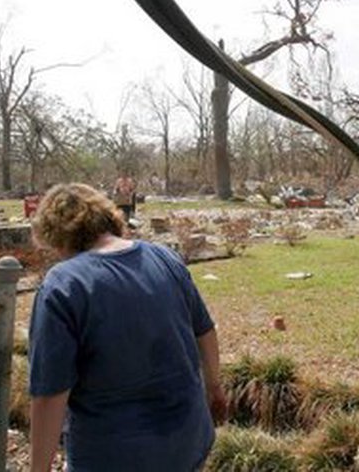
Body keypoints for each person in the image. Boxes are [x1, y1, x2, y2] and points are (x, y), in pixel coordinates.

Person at [28, 183, 226, 472]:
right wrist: (215, 388)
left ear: (55, 235)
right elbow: (205, 331)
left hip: (114, 456)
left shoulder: (63, 286)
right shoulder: (164, 258)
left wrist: (39, 468)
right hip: (188, 442)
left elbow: (50, 393)